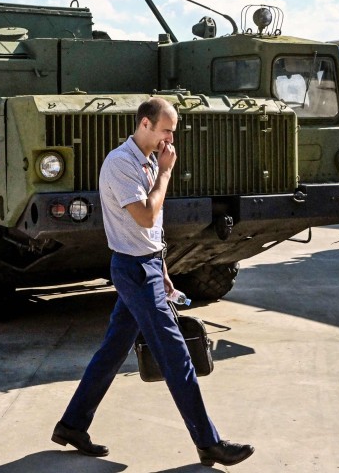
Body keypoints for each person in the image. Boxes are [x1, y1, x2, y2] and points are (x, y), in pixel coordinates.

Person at [52, 97, 254, 468]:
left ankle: (72, 425)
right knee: (176, 356)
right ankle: (209, 443)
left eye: (172, 133)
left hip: (145, 267)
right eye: (166, 131)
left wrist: (162, 270)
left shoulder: (146, 160)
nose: (170, 140)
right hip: (133, 271)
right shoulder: (121, 163)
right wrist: (165, 174)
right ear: (145, 124)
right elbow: (145, 216)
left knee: (113, 351)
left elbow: (151, 231)